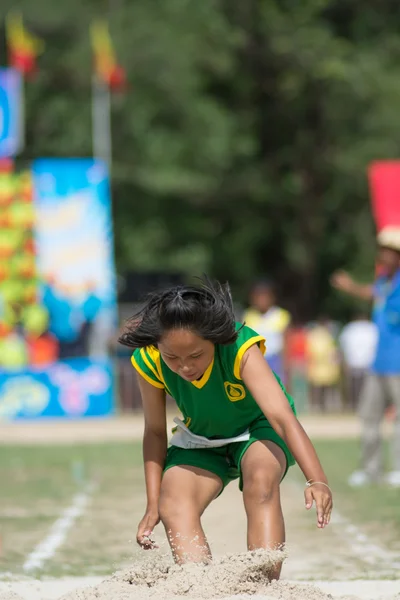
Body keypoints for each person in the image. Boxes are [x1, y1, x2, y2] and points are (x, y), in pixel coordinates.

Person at [119, 278, 332, 579]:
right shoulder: (149, 359)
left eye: (195, 356)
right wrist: (153, 504)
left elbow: (281, 416)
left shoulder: (238, 345)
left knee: (261, 477)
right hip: (201, 438)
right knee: (173, 499)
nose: (184, 367)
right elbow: (154, 431)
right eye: (173, 358)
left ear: (214, 340)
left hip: (257, 427)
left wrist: (317, 479)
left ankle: (263, 587)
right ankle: (200, 585)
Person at [331, 226, 400, 487]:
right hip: (379, 363)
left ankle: (398, 470)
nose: (383, 255)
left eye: (389, 251)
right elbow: (370, 292)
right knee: (369, 416)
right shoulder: (384, 282)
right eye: (382, 250)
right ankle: (370, 470)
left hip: (398, 363)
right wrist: (349, 286)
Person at [242, 280, 291, 383]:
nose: (262, 300)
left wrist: (286, 368)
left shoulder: (281, 316)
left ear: (272, 297)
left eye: (265, 296)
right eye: (258, 297)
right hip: (255, 360)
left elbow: (287, 344)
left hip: (275, 361)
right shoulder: (248, 316)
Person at [338, 313, 378, 410]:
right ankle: (364, 405)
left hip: (353, 361)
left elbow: (343, 345)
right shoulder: (372, 327)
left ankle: (354, 404)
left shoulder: (350, 328)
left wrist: (344, 361)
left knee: (354, 385)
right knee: (366, 386)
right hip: (368, 362)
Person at [305, 316, 341, 413]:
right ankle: (322, 405)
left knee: (317, 387)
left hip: (317, 364)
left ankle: (317, 405)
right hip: (324, 365)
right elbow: (333, 350)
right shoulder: (328, 335)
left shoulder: (313, 334)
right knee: (325, 387)